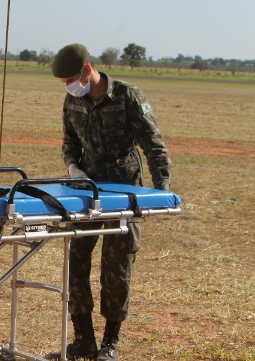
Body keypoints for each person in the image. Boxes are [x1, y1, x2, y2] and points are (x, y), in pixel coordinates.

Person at [48, 44, 171, 361]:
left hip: (123, 192)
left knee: (116, 270)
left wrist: (162, 189)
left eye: (70, 80)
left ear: (87, 70)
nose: (68, 87)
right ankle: (83, 341)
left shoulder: (128, 97)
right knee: (75, 262)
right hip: (86, 192)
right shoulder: (73, 99)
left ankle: (110, 344)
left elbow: (153, 145)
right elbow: (69, 142)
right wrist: (73, 166)